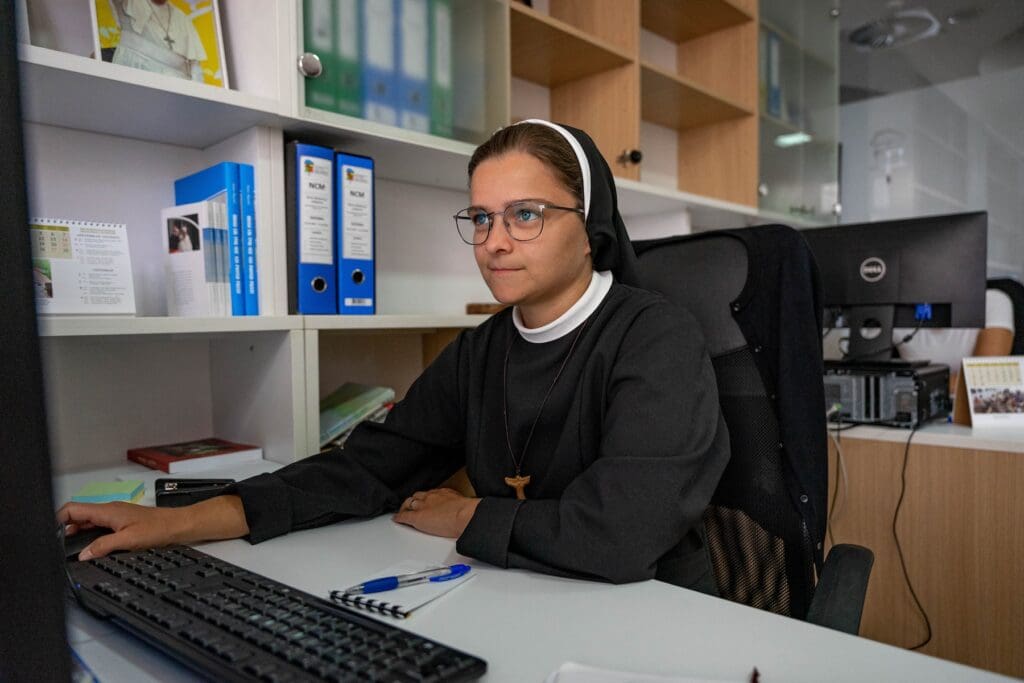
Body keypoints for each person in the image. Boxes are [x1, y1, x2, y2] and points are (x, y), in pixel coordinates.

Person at [58, 120, 731, 592]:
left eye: (525, 214)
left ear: (592, 229)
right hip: (526, 596)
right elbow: (362, 471)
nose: (494, 241)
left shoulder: (657, 337)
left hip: (651, 612)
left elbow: (622, 530)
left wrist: (468, 515)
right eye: (481, 217)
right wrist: (176, 521)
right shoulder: (482, 350)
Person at [108, 0, 207, 83]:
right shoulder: (130, 3)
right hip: (135, 75)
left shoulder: (181, 18)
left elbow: (195, 69)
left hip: (176, 87)